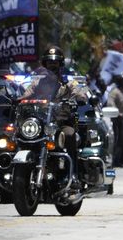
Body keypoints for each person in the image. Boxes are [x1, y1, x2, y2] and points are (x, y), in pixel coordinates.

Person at [19, 45, 87, 188]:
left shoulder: (68, 82)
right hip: (42, 123)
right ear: (45, 64)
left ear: (60, 64)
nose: (52, 64)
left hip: (61, 123)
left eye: (55, 62)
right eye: (49, 62)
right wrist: (18, 100)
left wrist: (79, 97)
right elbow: (27, 94)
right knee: (21, 136)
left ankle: (72, 175)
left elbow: (81, 94)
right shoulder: (38, 82)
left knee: (69, 135)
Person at [107, 74, 123, 167]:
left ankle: (120, 160)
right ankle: (114, 161)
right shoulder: (114, 92)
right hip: (116, 120)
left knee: (122, 141)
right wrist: (117, 113)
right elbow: (110, 103)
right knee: (116, 140)